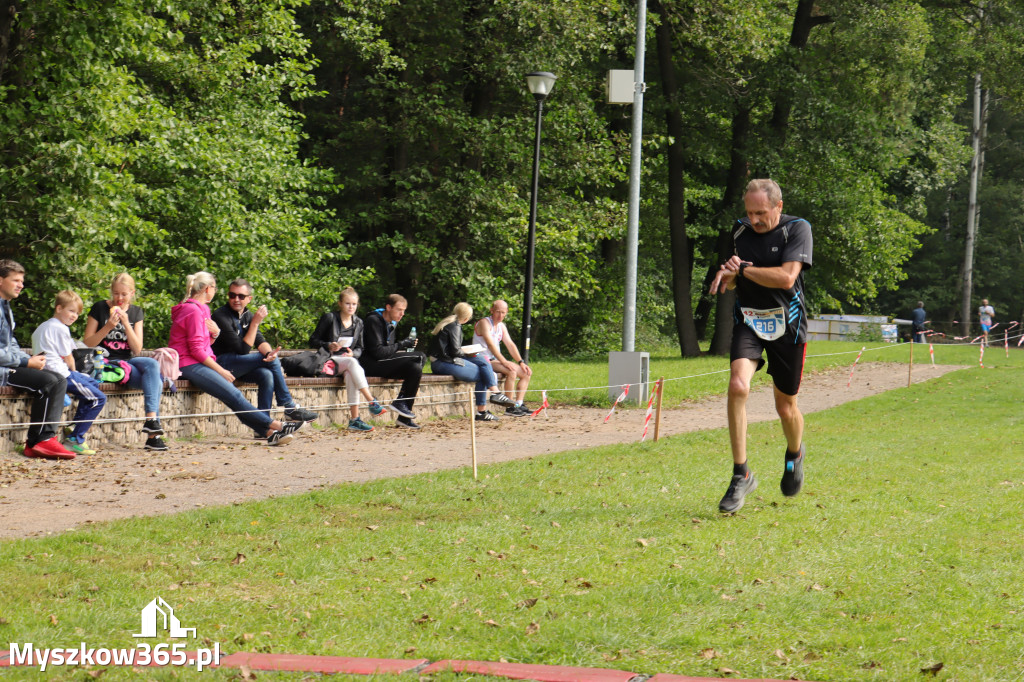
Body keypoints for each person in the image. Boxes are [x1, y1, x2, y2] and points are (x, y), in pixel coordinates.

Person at [709, 178, 813, 513]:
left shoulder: (797, 229)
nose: (754, 219)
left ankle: (794, 454)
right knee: (738, 386)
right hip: (750, 320)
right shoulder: (738, 231)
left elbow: (786, 277)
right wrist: (729, 275)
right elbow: (735, 275)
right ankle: (742, 474)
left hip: (788, 326)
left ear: (778, 207)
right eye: (750, 212)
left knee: (786, 408)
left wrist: (745, 269)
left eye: (761, 213)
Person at [168, 271, 301, 446]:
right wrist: (220, 370)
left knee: (233, 397)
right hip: (189, 363)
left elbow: (204, 344)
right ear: (208, 289)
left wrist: (214, 334)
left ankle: (269, 433)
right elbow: (195, 350)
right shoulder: (192, 310)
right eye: (214, 288)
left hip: (201, 361)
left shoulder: (203, 309)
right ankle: (278, 425)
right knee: (234, 395)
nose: (215, 292)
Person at [211, 278, 318, 436]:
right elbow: (242, 350)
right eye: (232, 295)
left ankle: (262, 427)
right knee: (272, 363)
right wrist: (255, 324)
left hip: (238, 365)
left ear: (249, 299)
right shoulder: (221, 315)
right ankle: (288, 406)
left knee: (267, 375)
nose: (236, 299)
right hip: (222, 364)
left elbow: (260, 341)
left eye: (241, 296)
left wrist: (269, 354)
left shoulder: (247, 316)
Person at [83, 273, 169, 451]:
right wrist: (108, 327)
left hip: (128, 362)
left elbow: (137, 349)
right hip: (105, 361)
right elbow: (87, 343)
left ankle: (151, 421)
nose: (119, 298)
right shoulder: (99, 308)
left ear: (132, 293)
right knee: (156, 382)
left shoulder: (136, 312)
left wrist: (126, 323)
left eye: (123, 294)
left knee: (152, 365)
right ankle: (153, 436)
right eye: (115, 294)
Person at [0, 260, 75, 459]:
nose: (20, 285)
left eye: (21, 280)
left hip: (9, 364)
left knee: (57, 378)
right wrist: (26, 363)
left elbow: (10, 343)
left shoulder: (5, 306)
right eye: (15, 280)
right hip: (3, 370)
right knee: (50, 381)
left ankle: (39, 442)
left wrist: (30, 359)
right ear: (0, 281)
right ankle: (41, 441)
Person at [31, 290, 107, 455]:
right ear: (59, 308)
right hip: (60, 374)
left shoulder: (43, 326)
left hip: (46, 372)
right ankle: (75, 439)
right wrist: (75, 374)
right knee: (99, 398)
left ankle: (74, 425)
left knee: (92, 384)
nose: (74, 316)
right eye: (71, 311)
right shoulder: (60, 328)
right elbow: (69, 358)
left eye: (77, 313)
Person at [308, 287, 388, 432]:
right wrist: (328, 345)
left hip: (347, 361)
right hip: (328, 360)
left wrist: (353, 354)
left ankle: (354, 420)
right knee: (353, 364)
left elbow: (360, 348)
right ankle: (371, 401)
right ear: (340, 304)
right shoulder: (330, 318)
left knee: (352, 372)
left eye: (354, 304)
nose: (351, 307)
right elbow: (312, 340)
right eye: (347, 304)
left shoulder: (358, 322)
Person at [428, 302, 516, 422]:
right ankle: (485, 407)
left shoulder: (450, 323)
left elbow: (452, 349)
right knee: (482, 372)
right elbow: (455, 352)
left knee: (482, 361)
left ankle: (492, 398)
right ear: (466, 317)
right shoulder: (455, 326)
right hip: (443, 362)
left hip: (444, 360)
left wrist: (471, 353)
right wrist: (469, 352)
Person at [360, 294, 423, 429]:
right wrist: (402, 344)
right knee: (420, 357)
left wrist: (404, 346)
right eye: (399, 310)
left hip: (382, 361)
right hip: (369, 364)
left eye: (404, 310)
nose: (402, 314)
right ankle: (400, 402)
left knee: (415, 368)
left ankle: (404, 417)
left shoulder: (391, 323)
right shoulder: (374, 321)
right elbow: (378, 352)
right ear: (388, 307)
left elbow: (389, 350)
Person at [472, 300, 532, 416]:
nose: (500, 316)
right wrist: (504, 362)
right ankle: (510, 408)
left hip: (495, 360)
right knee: (511, 371)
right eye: (498, 312)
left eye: (503, 313)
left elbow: (510, 344)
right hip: (483, 359)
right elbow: (490, 345)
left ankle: (519, 404)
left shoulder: (501, 326)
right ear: (492, 311)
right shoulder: (484, 323)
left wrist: (521, 362)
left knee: (526, 373)